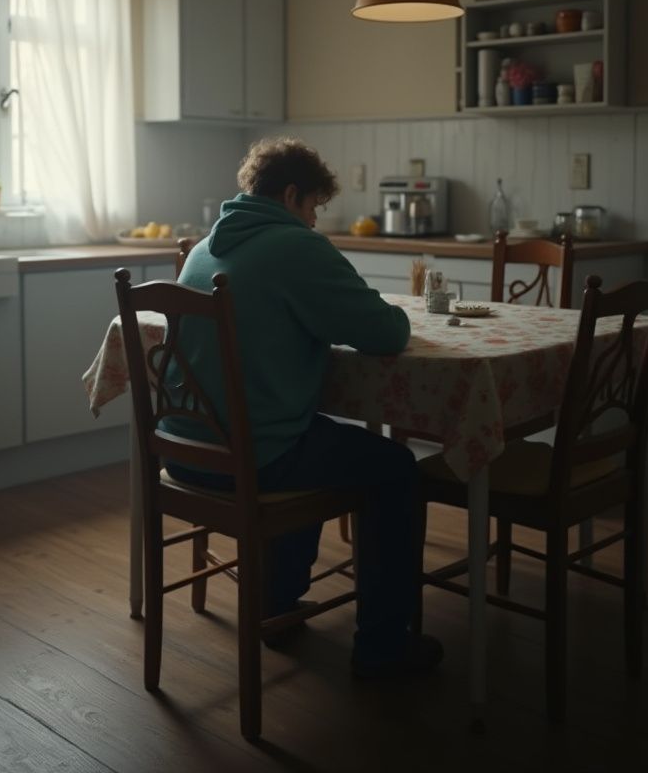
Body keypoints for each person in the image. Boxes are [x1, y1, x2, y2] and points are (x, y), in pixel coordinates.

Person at [165, 135, 442, 679]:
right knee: (394, 468)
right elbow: (385, 333)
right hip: (253, 456)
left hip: (185, 450)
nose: (315, 220)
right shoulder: (295, 246)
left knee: (310, 436)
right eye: (314, 206)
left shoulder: (204, 247)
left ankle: (278, 605)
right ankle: (383, 648)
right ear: (292, 195)